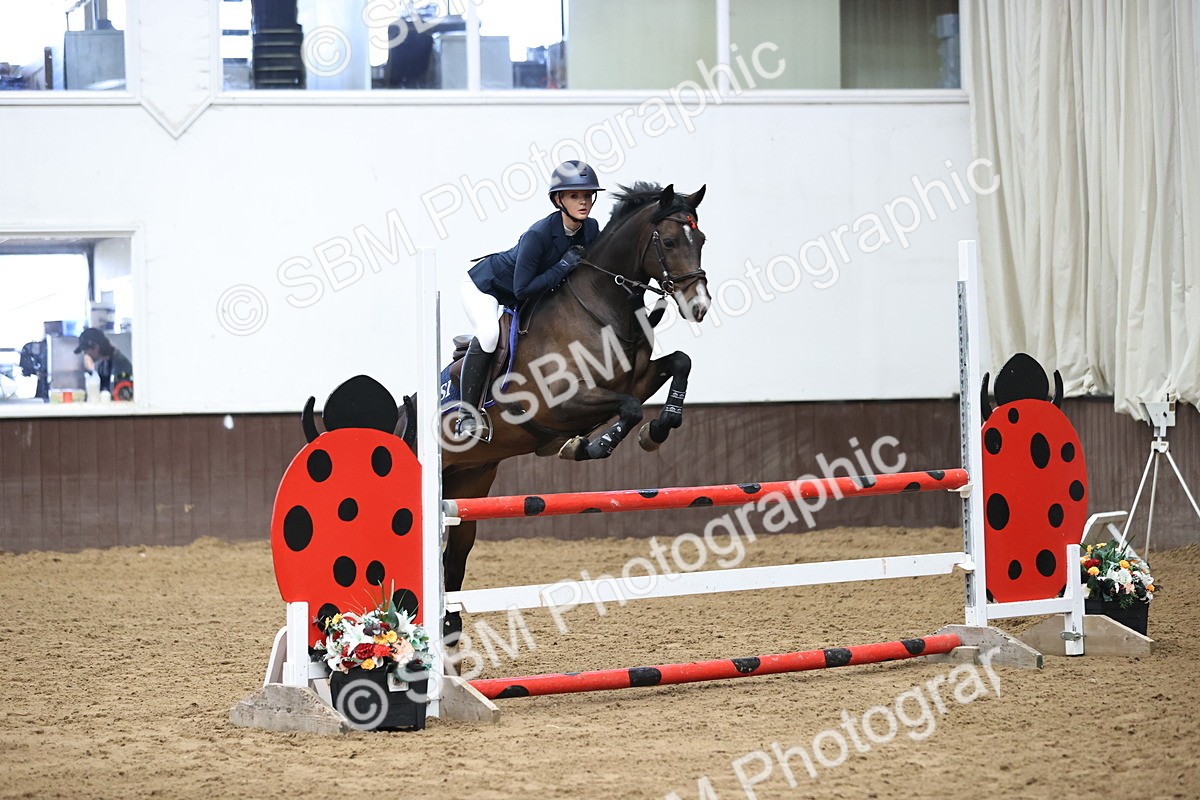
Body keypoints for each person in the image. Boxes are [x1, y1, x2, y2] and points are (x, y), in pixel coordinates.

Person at [456, 160, 605, 438]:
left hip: (524, 293)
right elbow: (523, 289)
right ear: (558, 199)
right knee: (488, 335)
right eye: (575, 196)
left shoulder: (591, 229)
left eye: (587, 195)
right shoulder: (538, 235)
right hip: (487, 287)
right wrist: (562, 267)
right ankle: (466, 415)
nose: (583, 202)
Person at [75, 328, 134, 400]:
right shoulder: (102, 365)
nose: (86, 354)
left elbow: (125, 398)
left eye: (86, 351)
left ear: (96, 347)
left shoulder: (122, 365)